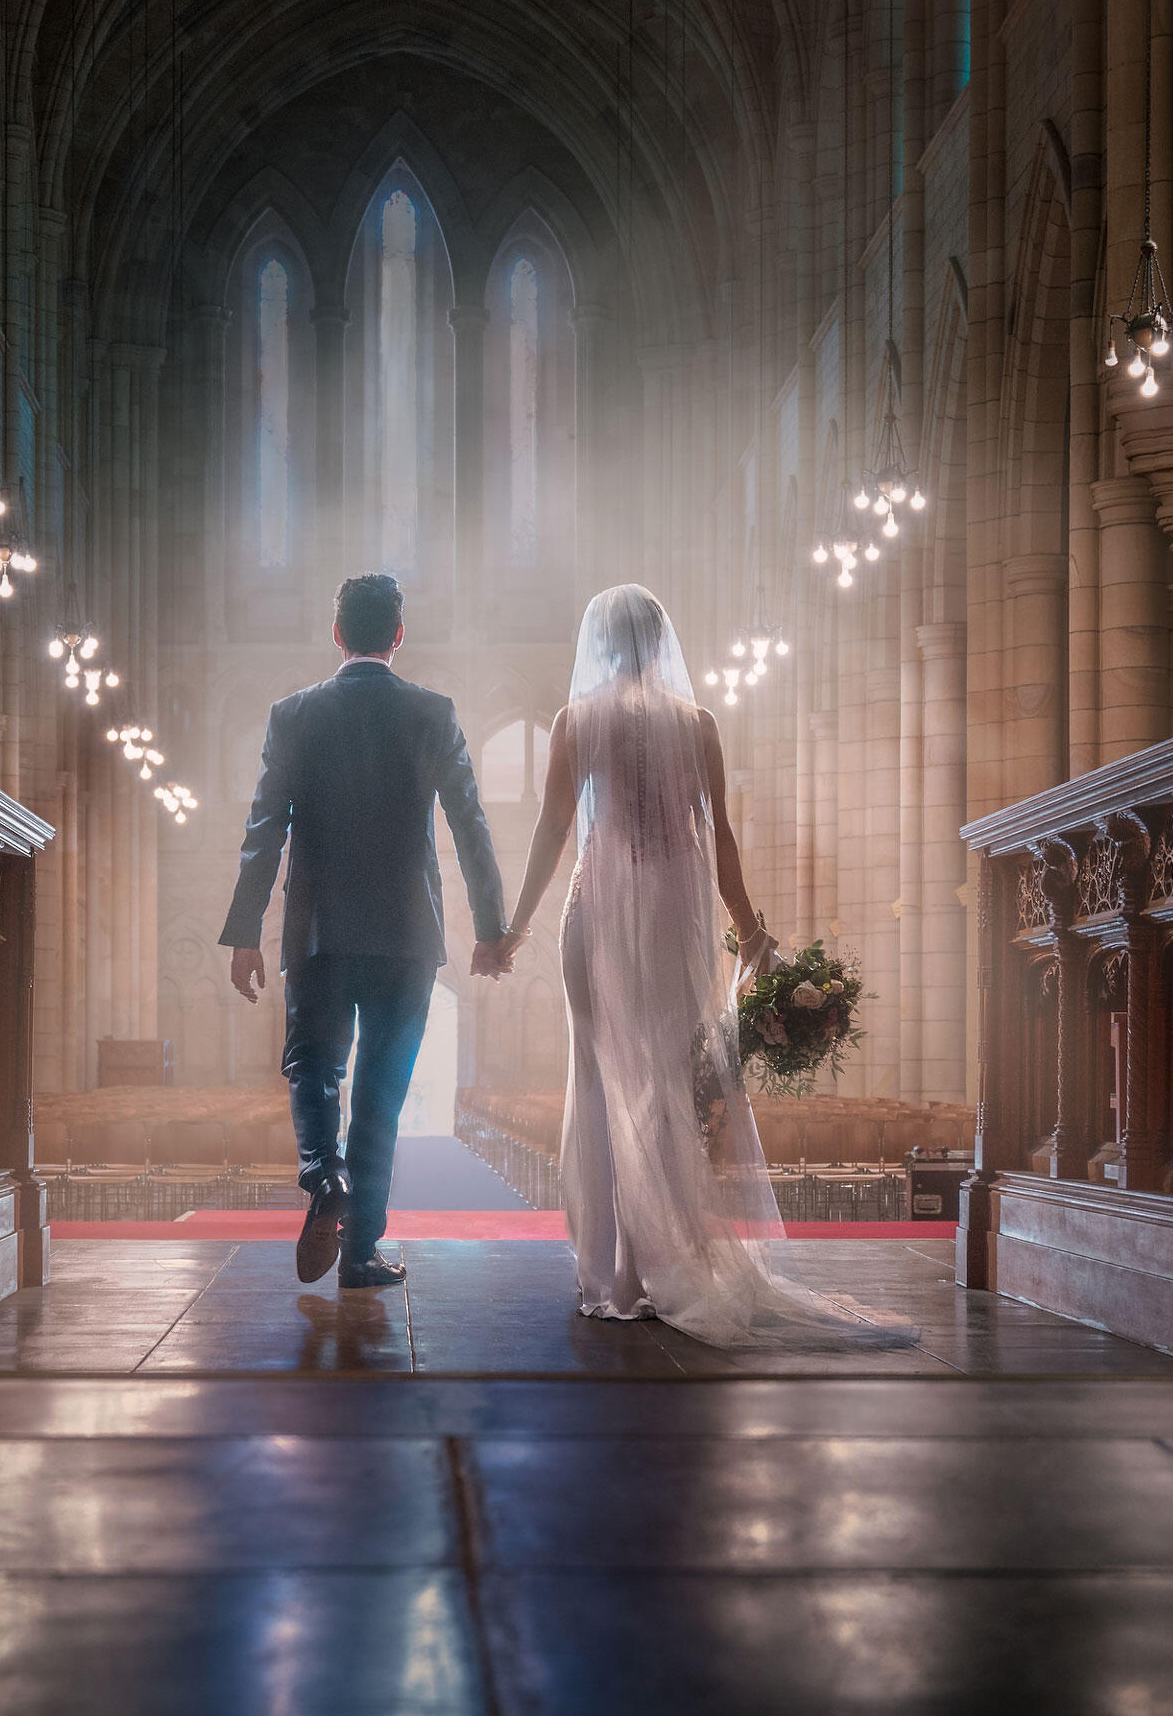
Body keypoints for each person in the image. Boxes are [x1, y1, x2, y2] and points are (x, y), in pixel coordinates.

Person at [491, 585, 910, 1347]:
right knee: (672, 1081)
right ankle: (672, 1258)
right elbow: (721, 841)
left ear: (603, 642)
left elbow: (554, 830)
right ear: (659, 641)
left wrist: (514, 927)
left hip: (602, 902)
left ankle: (617, 1271)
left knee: (601, 1075)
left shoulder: (577, 721)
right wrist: (750, 932)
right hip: (676, 910)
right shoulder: (699, 724)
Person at [217, 572, 512, 1287]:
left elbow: (263, 830)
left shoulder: (294, 715)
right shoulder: (432, 713)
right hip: (408, 934)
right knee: (379, 1095)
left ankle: (324, 1181)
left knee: (313, 1069)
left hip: (318, 928)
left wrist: (244, 931)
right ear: (398, 636)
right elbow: (470, 825)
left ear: (337, 634)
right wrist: (491, 927)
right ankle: (361, 1254)